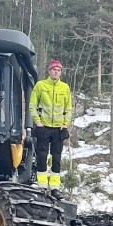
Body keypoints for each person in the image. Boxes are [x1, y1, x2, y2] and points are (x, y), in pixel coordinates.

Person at [29, 59, 74, 188]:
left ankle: (54, 187)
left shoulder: (65, 87)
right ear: (49, 71)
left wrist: (66, 124)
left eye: (59, 70)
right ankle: (42, 186)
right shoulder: (40, 85)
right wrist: (38, 122)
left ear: (61, 73)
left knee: (57, 159)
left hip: (58, 129)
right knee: (42, 157)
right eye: (54, 69)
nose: (56, 72)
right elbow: (32, 106)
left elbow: (68, 108)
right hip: (43, 127)